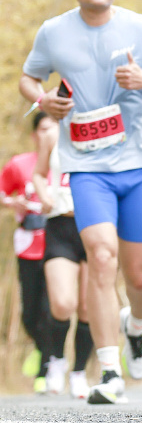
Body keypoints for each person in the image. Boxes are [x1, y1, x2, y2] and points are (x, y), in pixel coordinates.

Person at [20, 0, 142, 404]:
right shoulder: (53, 32)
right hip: (86, 167)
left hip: (136, 166)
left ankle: (136, 327)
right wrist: (42, 100)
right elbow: (27, 77)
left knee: (139, 279)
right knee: (100, 256)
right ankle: (110, 372)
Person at [32, 116, 93, 398]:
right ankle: (57, 360)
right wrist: (44, 193)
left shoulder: (105, 127)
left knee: (87, 306)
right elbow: (38, 173)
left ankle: (79, 371)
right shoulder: (51, 135)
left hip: (95, 223)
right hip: (60, 225)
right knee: (62, 302)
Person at [1, 113, 55, 394]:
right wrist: (13, 202)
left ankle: (46, 367)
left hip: (58, 247)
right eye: (44, 129)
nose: (49, 134)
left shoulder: (67, 165)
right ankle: (40, 346)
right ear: (35, 135)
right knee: (30, 312)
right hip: (27, 246)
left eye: (54, 129)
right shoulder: (18, 164)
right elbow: (2, 193)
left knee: (50, 310)